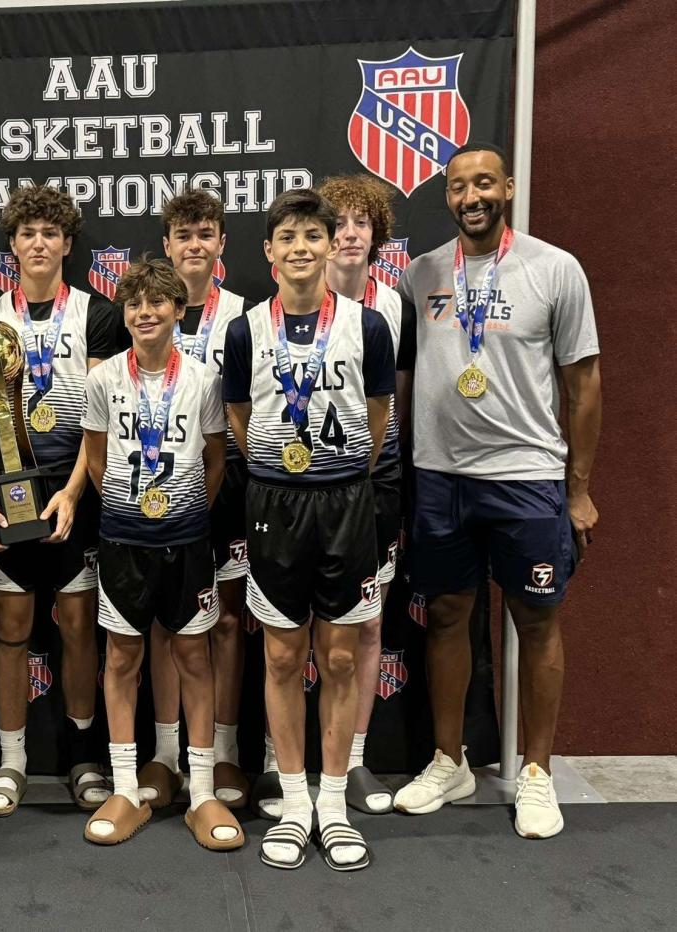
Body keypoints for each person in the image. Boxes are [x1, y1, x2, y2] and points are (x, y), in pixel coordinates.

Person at [392, 142, 601, 839]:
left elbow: (585, 384)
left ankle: (535, 773)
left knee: (536, 619)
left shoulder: (554, 268)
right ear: (446, 197)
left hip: (527, 477)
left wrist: (579, 490)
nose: (471, 196)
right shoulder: (421, 275)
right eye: (458, 186)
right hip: (442, 478)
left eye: (484, 183)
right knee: (449, 616)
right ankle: (449, 761)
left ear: (507, 188)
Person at [222, 189, 394, 872]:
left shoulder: (367, 326)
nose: (299, 248)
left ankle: (333, 804)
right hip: (275, 502)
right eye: (286, 237)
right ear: (268, 252)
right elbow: (238, 414)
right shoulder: (245, 330)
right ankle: (294, 803)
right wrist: (277, 467)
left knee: (343, 657)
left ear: (331, 246)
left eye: (311, 236)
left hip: (346, 500)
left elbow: (379, 414)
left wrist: (342, 469)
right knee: (285, 657)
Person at [0, 185, 121, 815]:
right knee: (12, 627)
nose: (38, 244)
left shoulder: (98, 314)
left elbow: (104, 415)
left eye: (49, 234)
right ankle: (11, 761)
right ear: (12, 245)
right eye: (27, 233)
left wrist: (77, 494)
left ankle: (83, 755)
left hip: (72, 493)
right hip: (8, 494)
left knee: (79, 626)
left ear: (66, 245)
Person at [81, 258, 242, 850]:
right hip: (124, 542)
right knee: (122, 658)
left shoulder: (202, 380)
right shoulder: (102, 381)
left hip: (187, 542)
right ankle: (126, 786)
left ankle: (201, 791)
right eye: (134, 305)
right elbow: (95, 455)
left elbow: (216, 459)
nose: (144, 314)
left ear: (178, 310)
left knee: (194, 658)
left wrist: (183, 510)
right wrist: (127, 510)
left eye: (156, 304)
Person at [138, 190, 252, 812]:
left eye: (205, 233)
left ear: (222, 243)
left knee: (228, 620)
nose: (195, 245)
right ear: (167, 245)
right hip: (152, 483)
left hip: (226, 480)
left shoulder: (241, 316)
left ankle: (226, 749)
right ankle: (162, 752)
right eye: (183, 235)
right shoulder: (148, 310)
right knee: (161, 619)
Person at [316, 174, 409, 815]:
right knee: (296, 622)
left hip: (377, 476)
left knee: (368, 620)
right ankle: (285, 759)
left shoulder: (395, 305)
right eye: (338, 224)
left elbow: (397, 394)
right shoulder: (293, 299)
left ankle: (352, 760)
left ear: (377, 236)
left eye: (361, 224)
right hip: (309, 477)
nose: (350, 234)